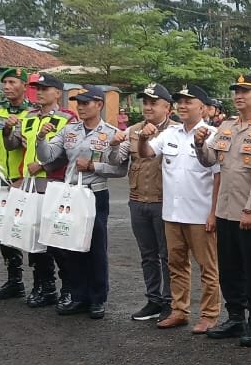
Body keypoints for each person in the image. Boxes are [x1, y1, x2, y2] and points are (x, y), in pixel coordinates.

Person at [195, 74, 251, 347]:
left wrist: (250, 209)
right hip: (225, 209)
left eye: (245, 91)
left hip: (250, 212)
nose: (239, 95)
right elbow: (210, 161)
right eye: (236, 91)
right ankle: (235, 317)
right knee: (229, 267)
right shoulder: (227, 126)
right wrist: (199, 144)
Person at [39, 85, 127, 318]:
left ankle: (97, 298)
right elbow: (47, 156)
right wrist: (40, 138)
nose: (81, 107)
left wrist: (93, 166)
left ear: (99, 104)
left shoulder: (110, 133)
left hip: (94, 193)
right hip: (71, 194)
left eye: (86, 103)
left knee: (96, 247)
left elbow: (120, 169)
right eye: (79, 102)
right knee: (72, 245)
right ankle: (78, 296)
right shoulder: (70, 130)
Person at [138, 83, 221, 332]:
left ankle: (209, 315)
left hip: (200, 213)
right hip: (172, 213)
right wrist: (143, 138)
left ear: (203, 108)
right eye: (180, 101)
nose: (183, 106)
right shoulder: (170, 134)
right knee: (176, 265)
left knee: (208, 267)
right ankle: (179, 310)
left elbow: (218, 176)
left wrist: (213, 212)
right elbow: (146, 154)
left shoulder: (212, 134)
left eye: (189, 101)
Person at [5, 73, 73, 307]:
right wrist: (7, 130)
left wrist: (44, 165)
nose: (40, 92)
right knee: (32, 237)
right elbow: (13, 145)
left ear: (57, 92)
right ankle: (43, 285)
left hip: (53, 184)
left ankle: (68, 289)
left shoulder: (67, 118)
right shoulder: (29, 116)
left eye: (45, 88)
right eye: (37, 88)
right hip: (29, 185)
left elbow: (68, 152)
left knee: (56, 240)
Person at [0, 68, 33, 301]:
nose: (7, 86)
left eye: (12, 82)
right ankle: (14, 280)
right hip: (2, 176)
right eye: (4, 83)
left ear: (23, 85)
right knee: (3, 231)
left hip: (27, 178)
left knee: (30, 230)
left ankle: (44, 283)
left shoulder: (33, 112)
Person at [123, 82, 175, 322]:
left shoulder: (175, 131)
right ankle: (153, 299)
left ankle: (170, 301)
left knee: (168, 256)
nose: (148, 107)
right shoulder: (133, 130)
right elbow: (118, 162)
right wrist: (114, 145)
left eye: (153, 103)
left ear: (168, 108)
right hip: (137, 200)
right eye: (145, 102)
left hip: (163, 200)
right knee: (147, 255)